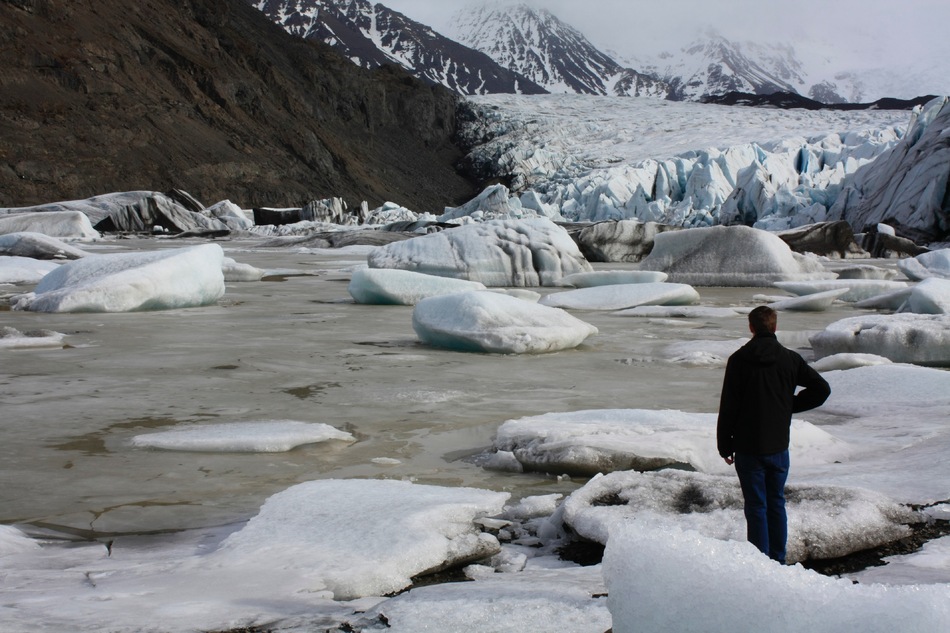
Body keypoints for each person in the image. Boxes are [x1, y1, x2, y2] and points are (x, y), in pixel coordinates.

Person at [717, 306, 831, 564]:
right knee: (776, 503)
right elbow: (821, 389)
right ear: (775, 327)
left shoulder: (738, 359)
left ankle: (760, 563)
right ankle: (778, 559)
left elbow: (729, 406)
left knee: (756, 507)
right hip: (778, 446)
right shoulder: (790, 359)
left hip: (747, 447)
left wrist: (725, 446)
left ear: (751, 327)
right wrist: (789, 405)